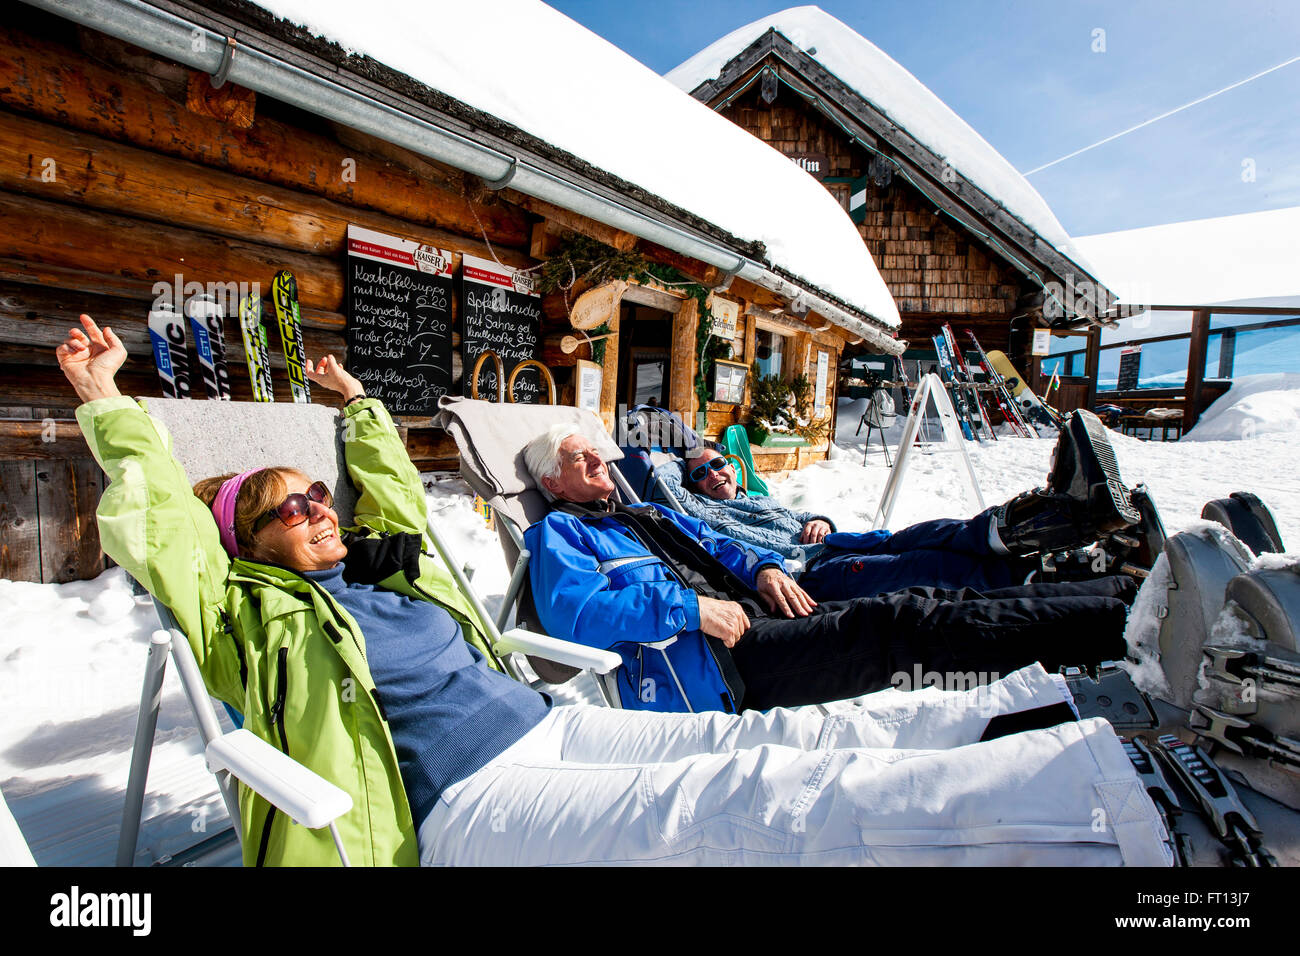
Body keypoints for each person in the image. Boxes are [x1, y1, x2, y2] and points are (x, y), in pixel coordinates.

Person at [58, 315, 1169, 867]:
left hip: (547, 725)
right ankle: (1121, 830)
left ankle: (1089, 730)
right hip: (462, 805)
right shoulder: (253, 609)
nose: (318, 511)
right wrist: (112, 404)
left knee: (774, 756)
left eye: (318, 498)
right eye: (286, 508)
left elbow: (387, 488)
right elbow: (164, 533)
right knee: (742, 815)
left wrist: (351, 409)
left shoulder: (383, 570)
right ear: (242, 547)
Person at [523, 424, 1135, 715]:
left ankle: (1116, 590)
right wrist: (690, 609)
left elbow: (717, 543)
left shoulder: (646, 513)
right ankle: (1119, 619)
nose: (600, 458)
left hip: (760, 609)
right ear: (553, 480)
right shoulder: (559, 532)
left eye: (597, 450)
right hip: (714, 662)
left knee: (921, 593)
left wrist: (762, 567)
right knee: (900, 625)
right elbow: (574, 617)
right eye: (582, 456)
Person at [675, 421, 1137, 599]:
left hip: (836, 543)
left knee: (937, 530)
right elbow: (662, 484)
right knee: (923, 565)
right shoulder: (702, 513)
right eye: (701, 473)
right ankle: (1069, 569)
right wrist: (673, 454)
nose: (714, 474)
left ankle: (1070, 519)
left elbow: (801, 520)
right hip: (807, 574)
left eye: (718, 464)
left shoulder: (758, 496)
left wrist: (819, 520)